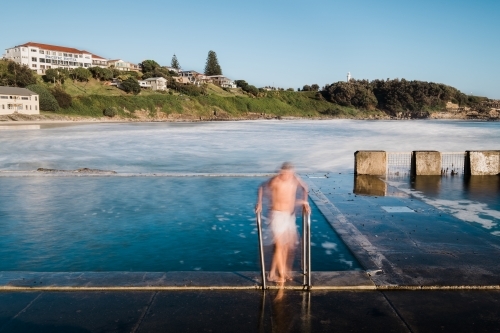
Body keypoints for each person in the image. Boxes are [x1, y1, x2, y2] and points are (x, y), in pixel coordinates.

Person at [255, 162, 310, 283]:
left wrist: (305, 202)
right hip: (277, 215)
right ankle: (280, 274)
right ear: (282, 172)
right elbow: (261, 188)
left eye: (290, 174)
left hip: (289, 216)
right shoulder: (276, 181)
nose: (288, 176)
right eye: (285, 174)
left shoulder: (294, 179)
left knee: (286, 246)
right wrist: (259, 203)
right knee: (280, 246)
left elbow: (305, 187)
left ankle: (277, 272)